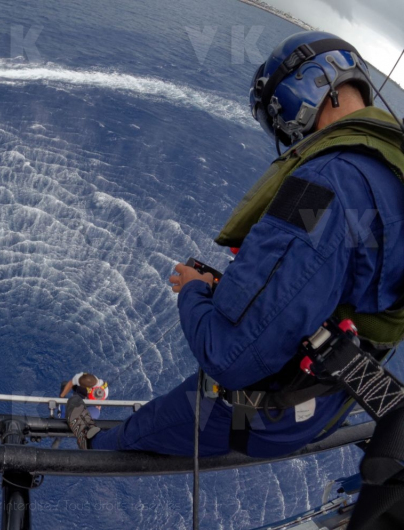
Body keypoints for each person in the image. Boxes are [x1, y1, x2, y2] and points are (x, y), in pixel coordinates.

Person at [67, 31, 404, 455]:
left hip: (268, 411)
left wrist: (192, 290)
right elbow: (323, 277)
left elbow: (230, 355)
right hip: (334, 397)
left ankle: (94, 441)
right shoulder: (389, 170)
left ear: (299, 93)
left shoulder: (321, 187)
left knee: (150, 426)